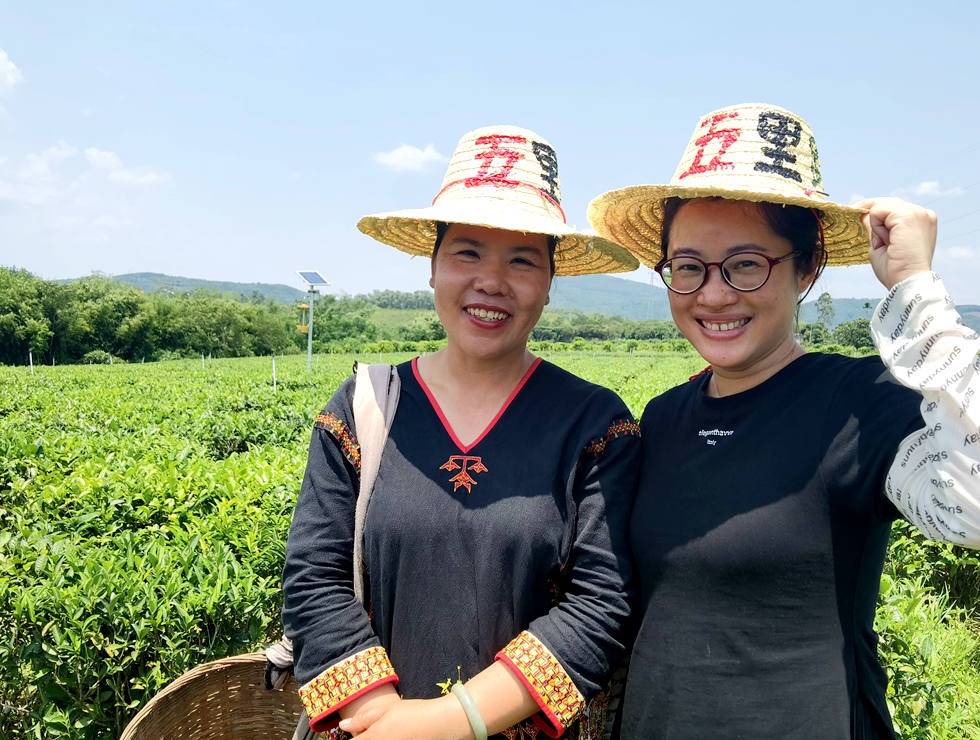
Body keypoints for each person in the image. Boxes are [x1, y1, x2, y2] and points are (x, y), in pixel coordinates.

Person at [587, 103, 980, 738]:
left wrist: (915, 290)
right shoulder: (662, 418)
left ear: (807, 268)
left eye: (746, 264)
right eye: (687, 268)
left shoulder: (857, 404)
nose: (713, 294)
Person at [282, 125, 642, 740]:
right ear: (432, 269)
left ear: (550, 284)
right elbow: (315, 573)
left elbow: (602, 602)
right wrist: (381, 719)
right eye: (467, 253)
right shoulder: (364, 407)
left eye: (522, 260)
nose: (491, 281)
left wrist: (453, 722)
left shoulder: (594, 424)